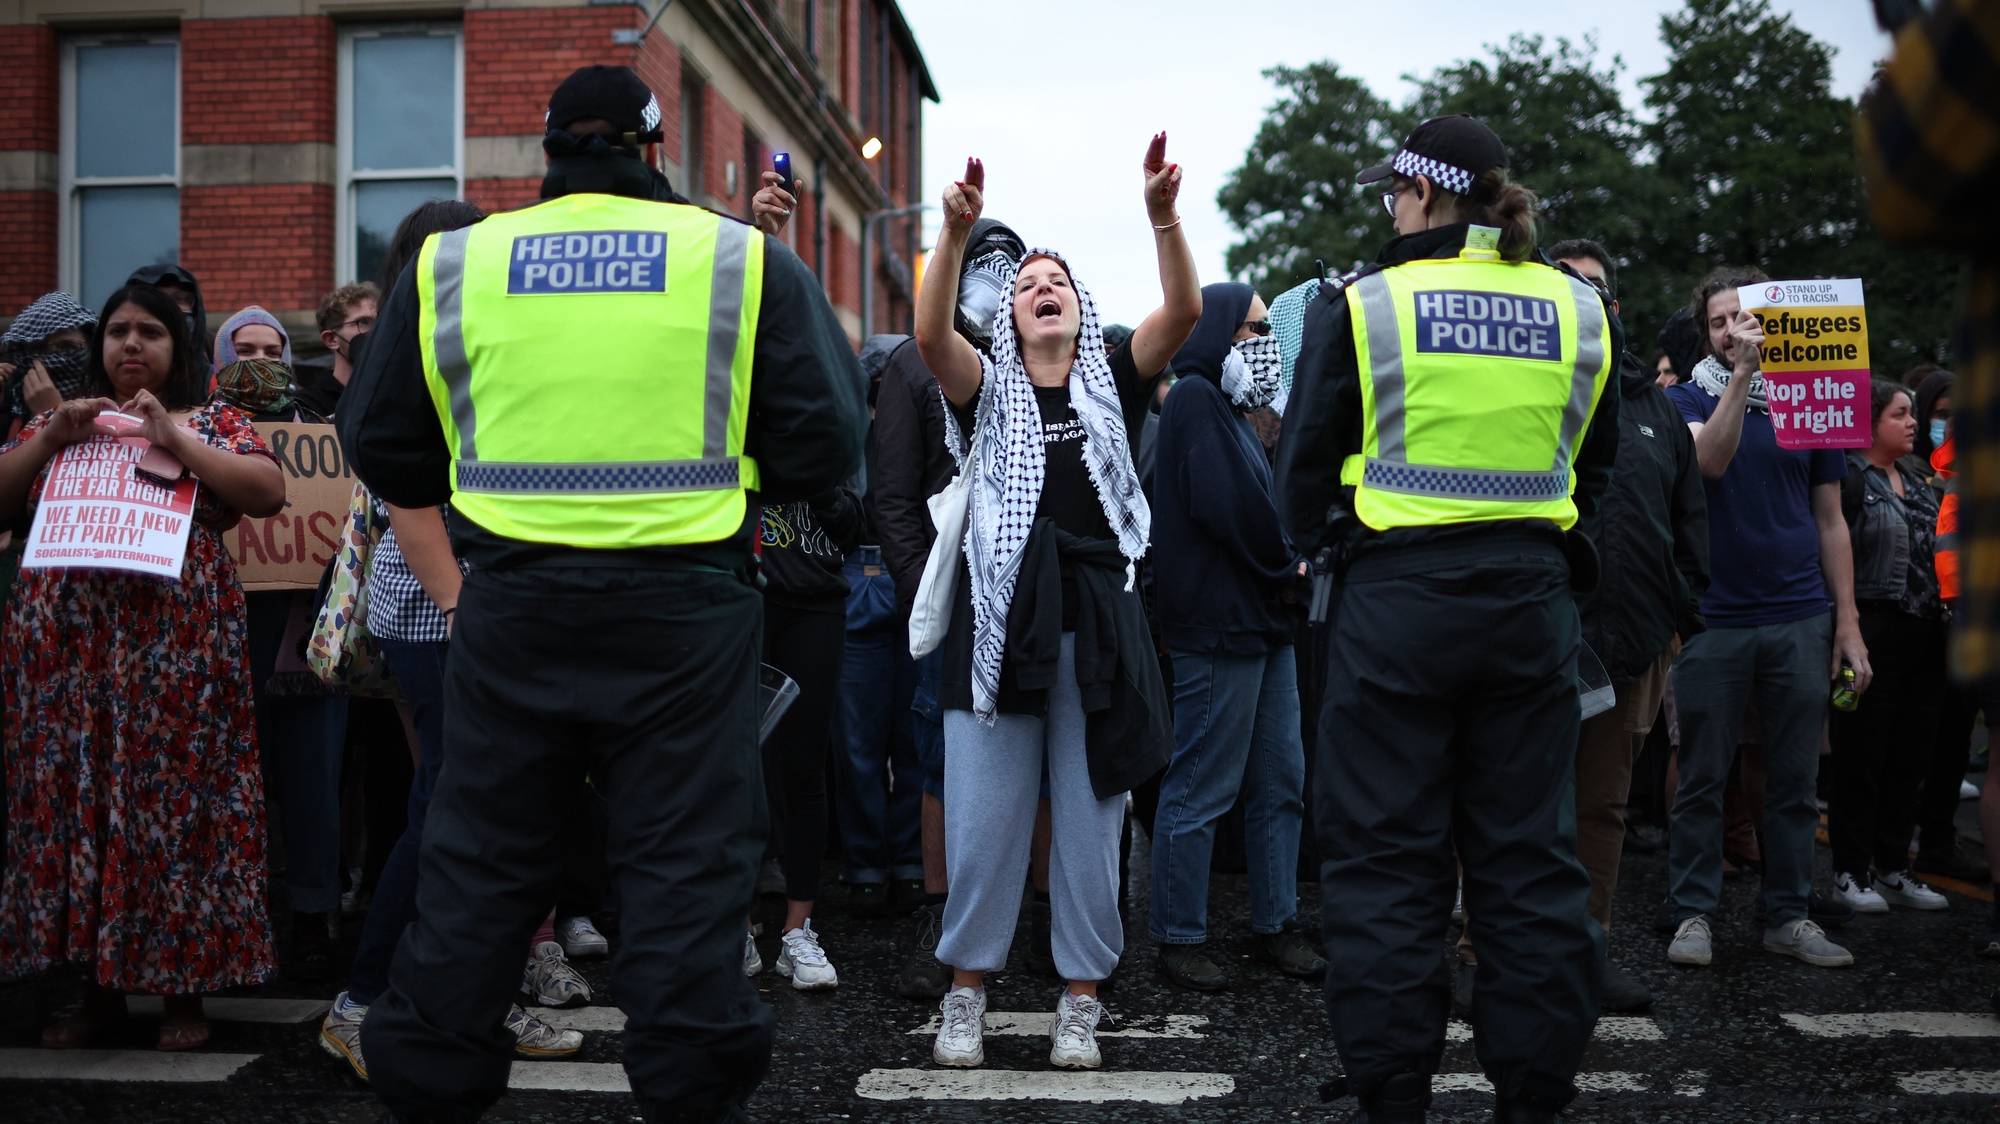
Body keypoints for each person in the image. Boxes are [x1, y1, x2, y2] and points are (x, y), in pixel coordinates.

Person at [339, 65, 864, 1121]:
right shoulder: (735, 256)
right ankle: (690, 1092)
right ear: (656, 148)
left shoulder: (456, 261)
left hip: (511, 608)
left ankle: (428, 1084)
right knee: (682, 874)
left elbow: (383, 446)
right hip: (685, 614)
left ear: (549, 151)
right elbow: (826, 438)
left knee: (480, 870)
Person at [1274, 114, 1618, 1123]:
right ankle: (1532, 1094)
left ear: (1420, 193)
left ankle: (1390, 1092)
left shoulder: (1369, 302)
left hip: (1393, 605)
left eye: (1392, 192)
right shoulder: (1579, 307)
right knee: (1527, 860)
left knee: (1384, 859)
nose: (1388, 207)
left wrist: (1339, 536)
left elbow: (1298, 476)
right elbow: (1591, 472)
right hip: (1528, 602)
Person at [915, 136, 1191, 1072]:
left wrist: (1162, 217)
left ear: (1080, 309)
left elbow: (1186, 310)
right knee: (986, 821)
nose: (1041, 285)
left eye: (1058, 280)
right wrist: (951, 237)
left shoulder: (1113, 373)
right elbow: (925, 339)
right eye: (1028, 279)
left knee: (1090, 820)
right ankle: (966, 993)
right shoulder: (983, 388)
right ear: (1012, 311)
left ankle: (1082, 997)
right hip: (999, 636)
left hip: (1099, 636)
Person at [319, 198, 589, 1081]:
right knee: (448, 809)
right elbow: (407, 489)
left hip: (482, 607)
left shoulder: (464, 332)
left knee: (492, 812)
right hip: (440, 613)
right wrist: (462, 607)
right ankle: (359, 1003)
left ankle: (473, 993)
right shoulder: (412, 344)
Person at [0, 283, 286, 1051]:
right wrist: (49, 438)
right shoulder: (65, 421)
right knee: (76, 806)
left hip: (175, 657)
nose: (131, 344)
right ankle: (83, 991)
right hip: (67, 657)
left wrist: (174, 437)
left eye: (150, 332)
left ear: (179, 347)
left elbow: (267, 492)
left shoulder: (213, 419)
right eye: (119, 331)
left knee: (175, 810)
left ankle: (181, 991)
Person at [1661, 264, 1870, 973]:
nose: (1730, 332)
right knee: (1703, 775)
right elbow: (1708, 464)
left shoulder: (1810, 402)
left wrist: (1847, 622)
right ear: (1707, 330)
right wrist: (1746, 376)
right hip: (1715, 616)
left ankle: (1788, 914)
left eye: (1742, 319)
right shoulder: (1687, 397)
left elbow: (1831, 520)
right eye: (1719, 321)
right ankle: (1692, 910)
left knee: (1792, 782)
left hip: (1799, 615)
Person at [867, 220, 1029, 1001]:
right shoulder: (912, 362)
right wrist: (918, 590)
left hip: (1029, 592)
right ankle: (941, 915)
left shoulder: (1031, 351)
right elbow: (892, 495)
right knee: (940, 757)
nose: (995, 278)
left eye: (1010, 263)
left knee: (1029, 753)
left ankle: (1028, 919)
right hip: (950, 592)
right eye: (980, 262)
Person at [1147, 281, 1322, 993]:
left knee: (1281, 780)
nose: (1262, 344)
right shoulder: (1194, 399)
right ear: (1216, 331)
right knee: (1201, 784)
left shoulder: (1231, 411)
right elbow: (1234, 509)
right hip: (1220, 627)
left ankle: (1276, 922)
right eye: (1250, 330)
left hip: (1262, 621)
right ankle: (1178, 934)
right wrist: (1290, 563)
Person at [1550, 239, 1711, 1013]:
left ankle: (1588, 952)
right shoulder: (1534, 392)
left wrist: (1676, 618)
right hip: (1543, 639)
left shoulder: (1657, 411)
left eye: (1599, 290)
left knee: (1602, 810)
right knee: (1512, 803)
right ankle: (1487, 955)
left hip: (1633, 647)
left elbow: (1689, 528)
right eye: (1569, 287)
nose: (1590, 302)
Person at [1827, 378, 1951, 916]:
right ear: (1870, 420)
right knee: (1862, 755)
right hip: (1871, 634)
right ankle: (1850, 872)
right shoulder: (1849, 479)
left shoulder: (1923, 480)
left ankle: (1895, 866)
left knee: (1911, 755)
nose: (1912, 422)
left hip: (1924, 635)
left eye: (1911, 414)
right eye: (1899, 414)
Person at [751, 480, 865, 989]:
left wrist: (818, 482)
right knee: (737, 767)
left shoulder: (825, 410)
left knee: (805, 766)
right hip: (743, 595)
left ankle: (798, 931)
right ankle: (738, 925)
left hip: (816, 602)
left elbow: (855, 522)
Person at [2, 292, 96, 441]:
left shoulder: (106, 406)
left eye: (66, 346)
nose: (51, 358)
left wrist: (51, 414)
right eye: (38, 349)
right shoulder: (13, 411)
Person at [299, 283, 380, 417]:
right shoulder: (307, 407)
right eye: (364, 322)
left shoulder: (395, 398)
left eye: (381, 321)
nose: (377, 330)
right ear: (331, 339)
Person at [125, 264, 212, 368]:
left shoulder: (211, 346)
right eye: (159, 299)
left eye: (179, 298)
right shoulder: (122, 358)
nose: (170, 307)